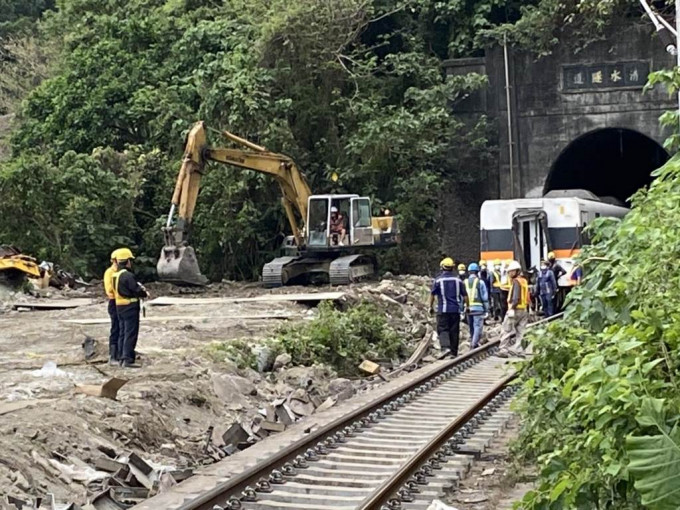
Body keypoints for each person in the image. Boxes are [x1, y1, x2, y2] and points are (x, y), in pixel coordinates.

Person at [113, 248, 150, 368]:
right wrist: (144, 293)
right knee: (130, 333)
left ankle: (121, 357)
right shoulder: (127, 276)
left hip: (120, 306)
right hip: (130, 307)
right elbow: (136, 289)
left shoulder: (115, 275)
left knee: (122, 333)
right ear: (127, 261)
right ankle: (128, 359)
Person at [429, 257, 468, 357]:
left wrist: (430, 307)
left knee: (442, 329)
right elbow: (465, 295)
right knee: (454, 331)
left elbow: (432, 295)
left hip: (443, 310)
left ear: (442, 267)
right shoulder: (458, 281)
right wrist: (467, 306)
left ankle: (446, 348)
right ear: (452, 268)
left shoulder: (438, 281)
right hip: (455, 310)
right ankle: (454, 353)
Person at [498, 260, 530, 358]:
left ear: (516, 271)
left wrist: (512, 308)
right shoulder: (524, 280)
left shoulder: (516, 281)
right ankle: (520, 351)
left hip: (515, 309)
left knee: (506, 329)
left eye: (511, 271)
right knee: (521, 332)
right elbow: (528, 296)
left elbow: (516, 297)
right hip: (524, 310)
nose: (509, 273)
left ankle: (503, 350)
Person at [464, 263, 489, 349]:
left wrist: (461, 309)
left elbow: (461, 297)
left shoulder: (465, 282)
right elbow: (484, 297)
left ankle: (473, 341)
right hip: (478, 308)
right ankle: (474, 344)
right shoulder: (480, 282)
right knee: (477, 326)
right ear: (477, 272)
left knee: (471, 326)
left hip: (467, 309)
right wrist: (487, 310)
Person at [103, 249, 121, 365]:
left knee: (122, 329)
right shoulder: (110, 272)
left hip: (121, 302)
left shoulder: (121, 272)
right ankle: (113, 356)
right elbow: (110, 289)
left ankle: (120, 353)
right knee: (115, 328)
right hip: (114, 302)